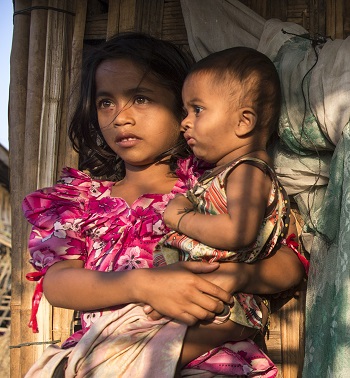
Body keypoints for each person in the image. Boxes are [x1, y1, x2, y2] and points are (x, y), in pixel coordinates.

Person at [22, 33, 306, 377]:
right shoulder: (81, 201)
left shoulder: (215, 186)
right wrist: (143, 284)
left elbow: (290, 262)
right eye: (105, 102)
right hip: (109, 354)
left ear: (181, 108)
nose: (120, 118)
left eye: (140, 99)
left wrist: (238, 276)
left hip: (209, 355)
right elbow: (58, 284)